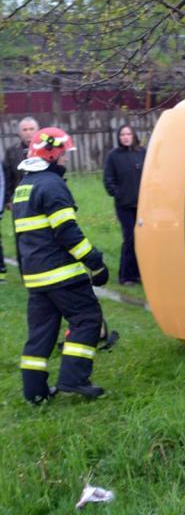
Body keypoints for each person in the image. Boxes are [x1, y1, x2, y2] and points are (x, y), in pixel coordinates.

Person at [12, 127, 109, 403]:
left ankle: (35, 392)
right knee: (87, 318)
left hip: (35, 277)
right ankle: (73, 379)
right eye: (64, 153)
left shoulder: (23, 187)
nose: (66, 158)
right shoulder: (52, 185)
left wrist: (26, 275)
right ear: (52, 154)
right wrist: (96, 262)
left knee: (40, 334)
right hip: (60, 274)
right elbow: (67, 231)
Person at [103, 124, 146, 285]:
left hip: (142, 205)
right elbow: (108, 180)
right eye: (122, 135)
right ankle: (125, 276)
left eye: (128, 134)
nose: (126, 137)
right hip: (124, 205)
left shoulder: (142, 153)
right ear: (119, 138)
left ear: (134, 135)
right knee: (130, 238)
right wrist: (118, 194)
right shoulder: (113, 156)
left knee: (142, 239)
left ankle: (139, 273)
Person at [2, 117, 39, 284]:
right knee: (21, 237)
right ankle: (25, 273)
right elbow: (7, 177)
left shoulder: (43, 150)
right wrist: (8, 198)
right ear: (19, 133)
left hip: (40, 200)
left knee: (40, 236)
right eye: (25, 129)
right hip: (19, 202)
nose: (28, 132)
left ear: (37, 130)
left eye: (31, 129)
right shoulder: (12, 152)